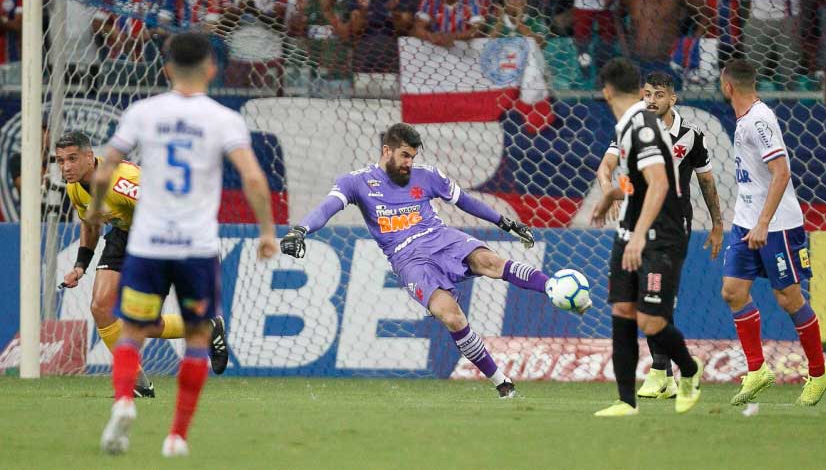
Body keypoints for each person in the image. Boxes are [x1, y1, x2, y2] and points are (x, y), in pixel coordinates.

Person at [280, 122, 587, 397]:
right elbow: (327, 208)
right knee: (451, 317)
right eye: (404, 155)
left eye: (412, 157)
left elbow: (465, 201)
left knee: (490, 261)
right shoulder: (355, 182)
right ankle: (501, 382)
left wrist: (504, 223)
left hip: (440, 237)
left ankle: (552, 288)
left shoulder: (427, 176)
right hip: (407, 258)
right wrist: (300, 230)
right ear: (386, 151)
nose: (409, 163)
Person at [96, 32, 277, 456]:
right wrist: (266, 231)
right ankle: (177, 436)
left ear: (166, 70)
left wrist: (92, 211)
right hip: (196, 247)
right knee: (197, 337)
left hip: (148, 246)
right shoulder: (224, 119)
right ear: (212, 69)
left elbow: (106, 169)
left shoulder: (143, 112)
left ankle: (125, 401)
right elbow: (252, 177)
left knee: (134, 331)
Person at [55, 130, 230, 398]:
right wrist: (81, 265)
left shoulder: (121, 181)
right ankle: (137, 382)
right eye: (60, 160)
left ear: (90, 157)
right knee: (100, 307)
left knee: (145, 323)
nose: (66, 167)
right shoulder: (74, 187)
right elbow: (90, 224)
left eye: (72, 159)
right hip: (125, 234)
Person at [598, 71, 724, 399]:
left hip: (671, 227)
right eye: (648, 94)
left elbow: (707, 182)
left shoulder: (692, 137)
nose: (652, 100)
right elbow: (605, 168)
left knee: (655, 302)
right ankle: (663, 372)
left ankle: (661, 371)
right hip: (635, 223)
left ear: (673, 99)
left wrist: (717, 224)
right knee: (641, 303)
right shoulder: (633, 127)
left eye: (659, 95)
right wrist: (609, 191)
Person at [719, 58, 826, 407]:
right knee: (733, 291)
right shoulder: (744, 121)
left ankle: (818, 372)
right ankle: (757, 370)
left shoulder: (760, 120)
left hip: (777, 225)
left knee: (789, 298)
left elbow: (781, 172)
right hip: (746, 220)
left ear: (728, 87)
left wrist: (764, 222)